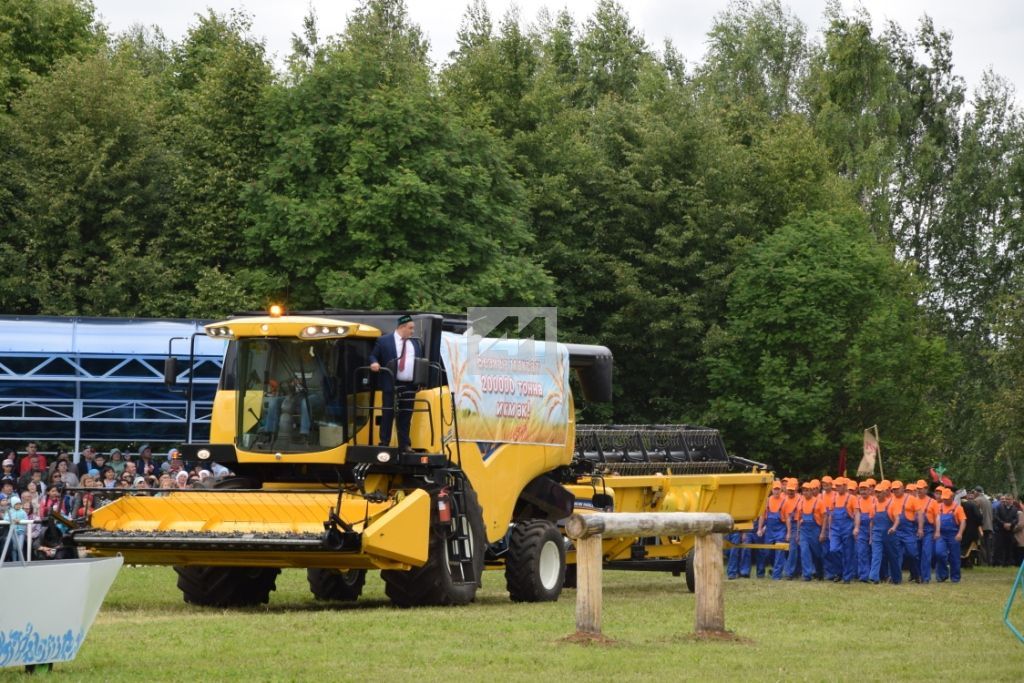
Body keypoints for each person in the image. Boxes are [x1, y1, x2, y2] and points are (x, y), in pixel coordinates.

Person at [369, 314, 424, 451]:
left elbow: (420, 361)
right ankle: (384, 443)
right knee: (388, 413)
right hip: (391, 383)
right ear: (402, 327)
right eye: (410, 328)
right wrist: (374, 363)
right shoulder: (384, 341)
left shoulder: (415, 343)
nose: (412, 331)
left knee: (406, 415)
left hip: (409, 385)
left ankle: (405, 444)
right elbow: (373, 355)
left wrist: (421, 380)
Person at [758, 481, 790, 580]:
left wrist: (788, 532)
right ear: (771, 490)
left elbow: (788, 518)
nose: (776, 491)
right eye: (774, 489)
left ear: (781, 490)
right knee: (766, 552)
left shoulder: (785, 501)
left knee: (779, 552)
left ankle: (776, 576)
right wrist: (759, 528)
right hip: (769, 531)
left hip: (781, 529)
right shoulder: (767, 501)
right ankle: (766, 571)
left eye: (778, 489)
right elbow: (762, 516)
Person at [935, 488, 967, 583]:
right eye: (943, 498)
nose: (944, 500)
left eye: (947, 498)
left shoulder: (958, 508)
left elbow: (963, 521)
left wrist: (960, 533)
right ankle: (942, 574)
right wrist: (937, 531)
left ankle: (955, 577)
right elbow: (937, 519)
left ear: (952, 497)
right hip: (941, 534)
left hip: (953, 534)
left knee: (954, 556)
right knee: (939, 553)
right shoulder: (939, 506)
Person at [798, 481, 826, 581]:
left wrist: (823, 532)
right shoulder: (800, 502)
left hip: (815, 530)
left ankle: (820, 571)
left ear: (811, 491)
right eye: (803, 491)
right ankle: (807, 575)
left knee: (817, 553)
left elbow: (824, 517)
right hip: (804, 530)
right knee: (804, 552)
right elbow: (798, 519)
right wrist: (798, 533)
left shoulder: (819, 502)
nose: (805, 493)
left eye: (807, 490)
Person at [993, 493, 1019, 566]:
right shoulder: (999, 507)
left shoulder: (1014, 509)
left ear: (1012, 500)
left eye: (1009, 499)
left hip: (1010, 531)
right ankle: (1000, 562)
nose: (1007, 501)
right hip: (1001, 530)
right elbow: (996, 517)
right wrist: (1003, 524)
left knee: (1009, 547)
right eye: (1006, 499)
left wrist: (1010, 524)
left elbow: (1016, 519)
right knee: (1000, 547)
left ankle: (1008, 562)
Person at [971, 486, 994, 565]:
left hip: (981, 526)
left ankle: (984, 563)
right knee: (988, 546)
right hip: (989, 526)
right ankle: (990, 562)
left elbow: (976, 515)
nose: (973, 494)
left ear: (977, 492)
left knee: (982, 545)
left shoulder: (977, 500)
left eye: (973, 492)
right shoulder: (988, 501)